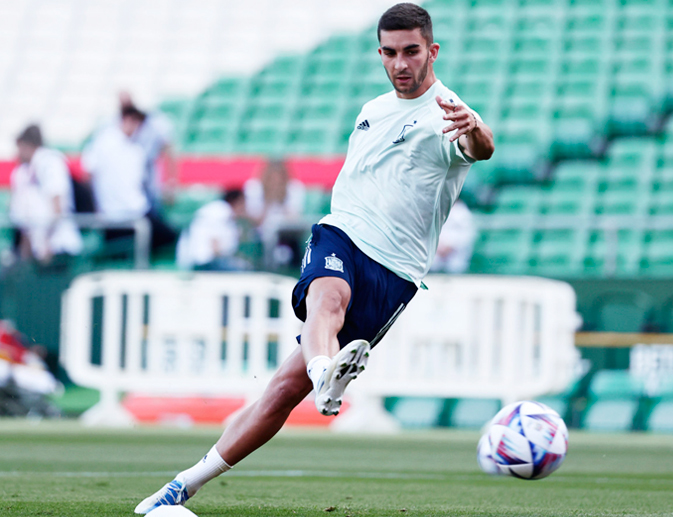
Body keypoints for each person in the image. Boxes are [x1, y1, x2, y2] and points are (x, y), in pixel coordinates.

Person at [135, 4, 494, 513]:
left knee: (282, 389)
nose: (401, 63)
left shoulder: (449, 113)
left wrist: (474, 126)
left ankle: (181, 486)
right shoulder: (371, 108)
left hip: (395, 271)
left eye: (411, 51)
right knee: (328, 297)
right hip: (342, 233)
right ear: (380, 54)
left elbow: (482, 148)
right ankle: (328, 369)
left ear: (432, 51)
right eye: (390, 53)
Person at [81, 105, 178, 255]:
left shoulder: (133, 149)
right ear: (128, 120)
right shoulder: (104, 142)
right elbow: (88, 174)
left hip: (127, 213)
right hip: (124, 214)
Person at [9, 124, 83, 265]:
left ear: (27, 145)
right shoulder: (25, 171)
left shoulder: (49, 162)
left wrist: (48, 243)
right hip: (40, 249)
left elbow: (57, 205)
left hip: (57, 247)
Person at [118, 91, 178, 209]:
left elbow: (169, 152)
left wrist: (171, 182)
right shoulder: (116, 122)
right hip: (128, 183)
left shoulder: (157, 123)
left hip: (150, 182)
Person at [243, 159, 306, 267]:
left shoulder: (294, 187)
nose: (275, 181)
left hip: (286, 232)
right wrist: (268, 200)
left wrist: (281, 199)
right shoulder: (254, 187)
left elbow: (294, 219)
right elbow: (254, 221)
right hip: (259, 231)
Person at [176, 189, 250, 271]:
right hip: (204, 262)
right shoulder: (220, 210)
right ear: (237, 201)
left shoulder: (229, 217)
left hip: (209, 261)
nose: (245, 207)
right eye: (243, 202)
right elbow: (215, 247)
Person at [430, 197, 476, 274]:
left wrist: (451, 247)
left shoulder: (462, 212)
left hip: (456, 257)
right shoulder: (433, 208)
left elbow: (468, 235)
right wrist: (437, 247)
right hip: (434, 255)